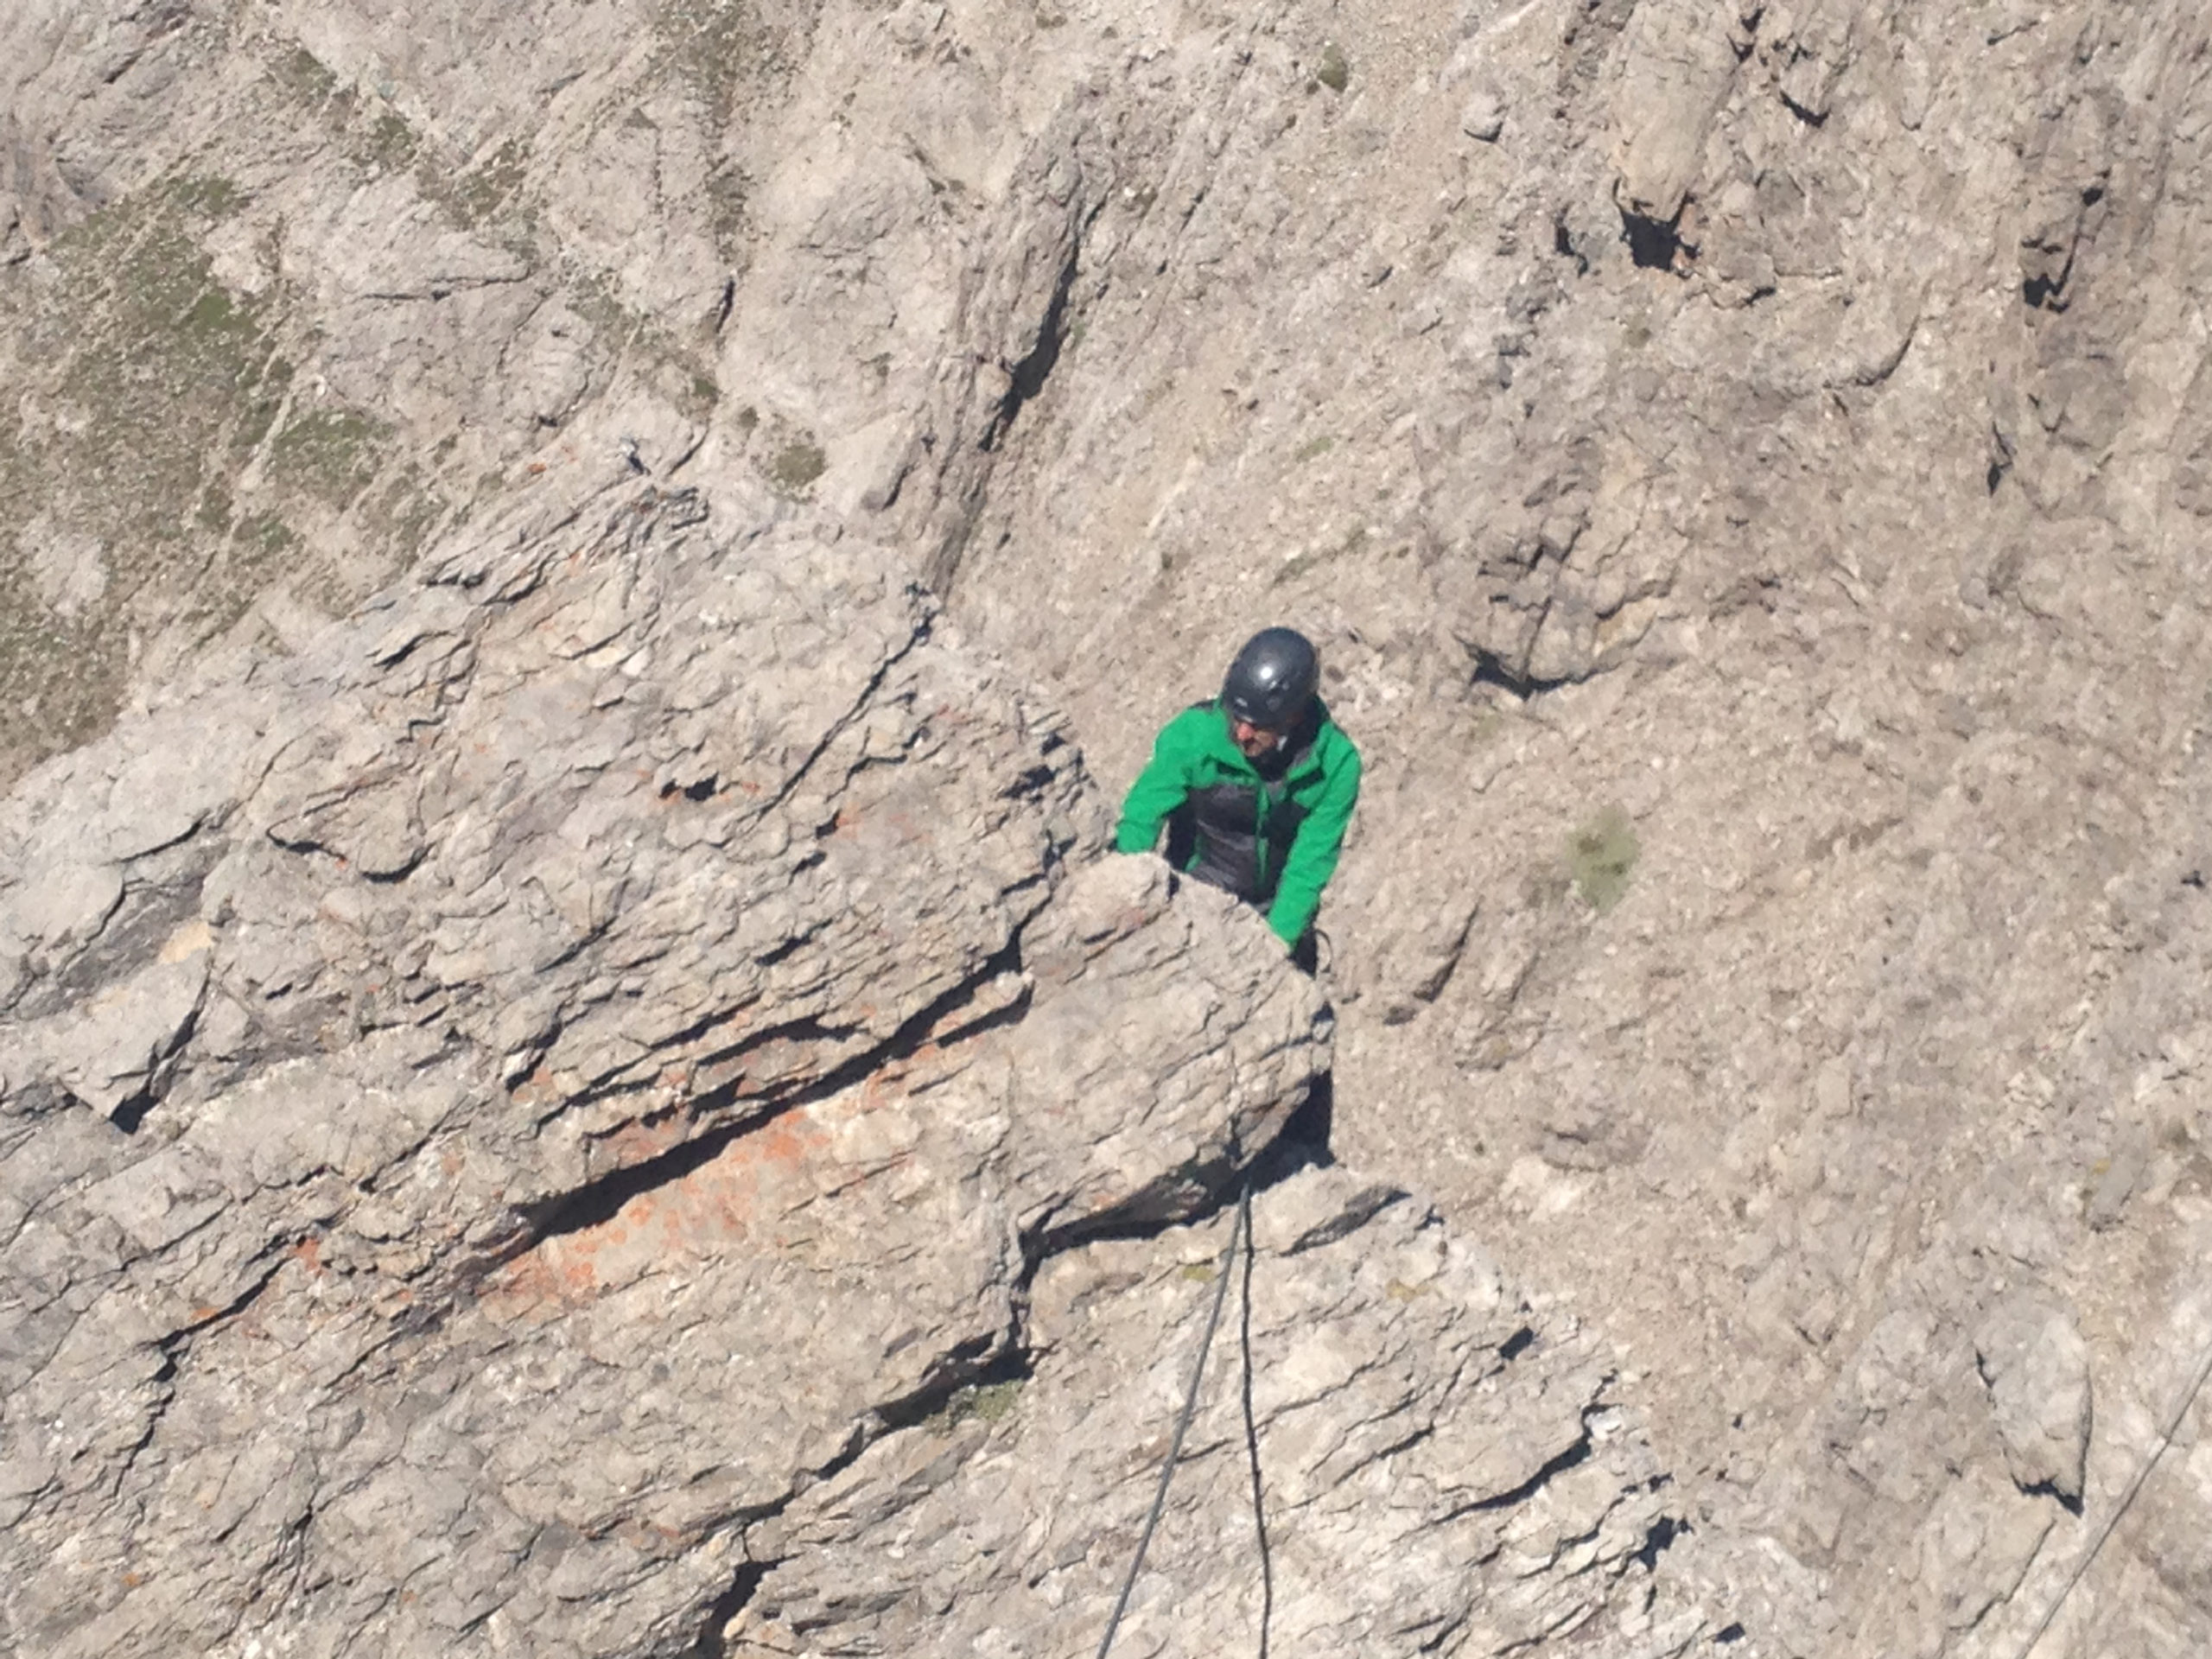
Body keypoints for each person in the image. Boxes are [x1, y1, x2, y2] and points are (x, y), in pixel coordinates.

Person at [1114, 626, 1361, 968]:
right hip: (1196, 901)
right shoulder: (1194, 735)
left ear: (1294, 716)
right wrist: (1121, 887)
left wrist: (1275, 950)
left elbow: (1310, 865)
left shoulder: (1335, 764)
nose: (1242, 733)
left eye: (1258, 724)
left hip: (1274, 912)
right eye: (1236, 716)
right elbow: (1142, 815)